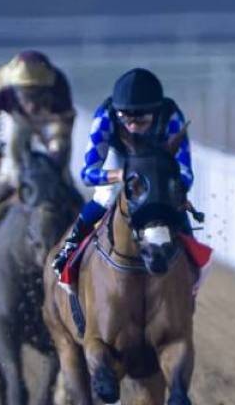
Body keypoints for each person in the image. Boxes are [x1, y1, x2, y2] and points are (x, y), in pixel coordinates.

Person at [52, 67, 194, 275]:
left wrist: (174, 191)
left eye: (141, 121)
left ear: (156, 113)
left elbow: (186, 172)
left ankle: (192, 255)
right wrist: (120, 174)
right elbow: (87, 174)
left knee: (170, 199)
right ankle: (71, 246)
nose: (133, 127)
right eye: (126, 120)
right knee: (107, 195)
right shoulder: (105, 116)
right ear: (117, 113)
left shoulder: (172, 117)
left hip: (158, 162)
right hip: (120, 158)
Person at [0, 51, 74, 279]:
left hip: (50, 119)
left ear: (47, 90)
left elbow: (61, 134)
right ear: (14, 90)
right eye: (26, 96)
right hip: (14, 119)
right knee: (12, 170)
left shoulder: (58, 85)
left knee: (61, 178)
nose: (32, 104)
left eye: (37, 96)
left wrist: (51, 170)